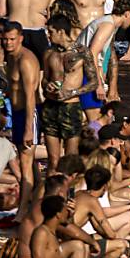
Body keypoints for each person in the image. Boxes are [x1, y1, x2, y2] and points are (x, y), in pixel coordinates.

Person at [41, 14, 97, 172]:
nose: (48, 35)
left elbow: (94, 82)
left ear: (60, 32)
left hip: (71, 108)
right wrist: (48, 86)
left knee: (71, 159)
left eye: (50, 32)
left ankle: (69, 194)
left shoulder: (81, 52)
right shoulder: (48, 53)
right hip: (50, 107)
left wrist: (72, 92)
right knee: (53, 160)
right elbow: (44, 79)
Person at [0, 21, 41, 220]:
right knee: (29, 163)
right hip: (16, 114)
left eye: (12, 39)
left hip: (28, 114)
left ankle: (23, 209)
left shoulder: (25, 60)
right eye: (5, 39)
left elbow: (31, 95)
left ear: (21, 38)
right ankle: (35, 200)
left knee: (25, 163)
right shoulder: (11, 58)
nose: (8, 43)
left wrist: (27, 128)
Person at [75, 0, 130, 121]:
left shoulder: (109, 24)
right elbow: (92, 53)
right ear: (127, 13)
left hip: (85, 71)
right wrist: (98, 84)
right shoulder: (108, 25)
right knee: (96, 119)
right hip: (83, 72)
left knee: (93, 117)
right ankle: (92, 138)